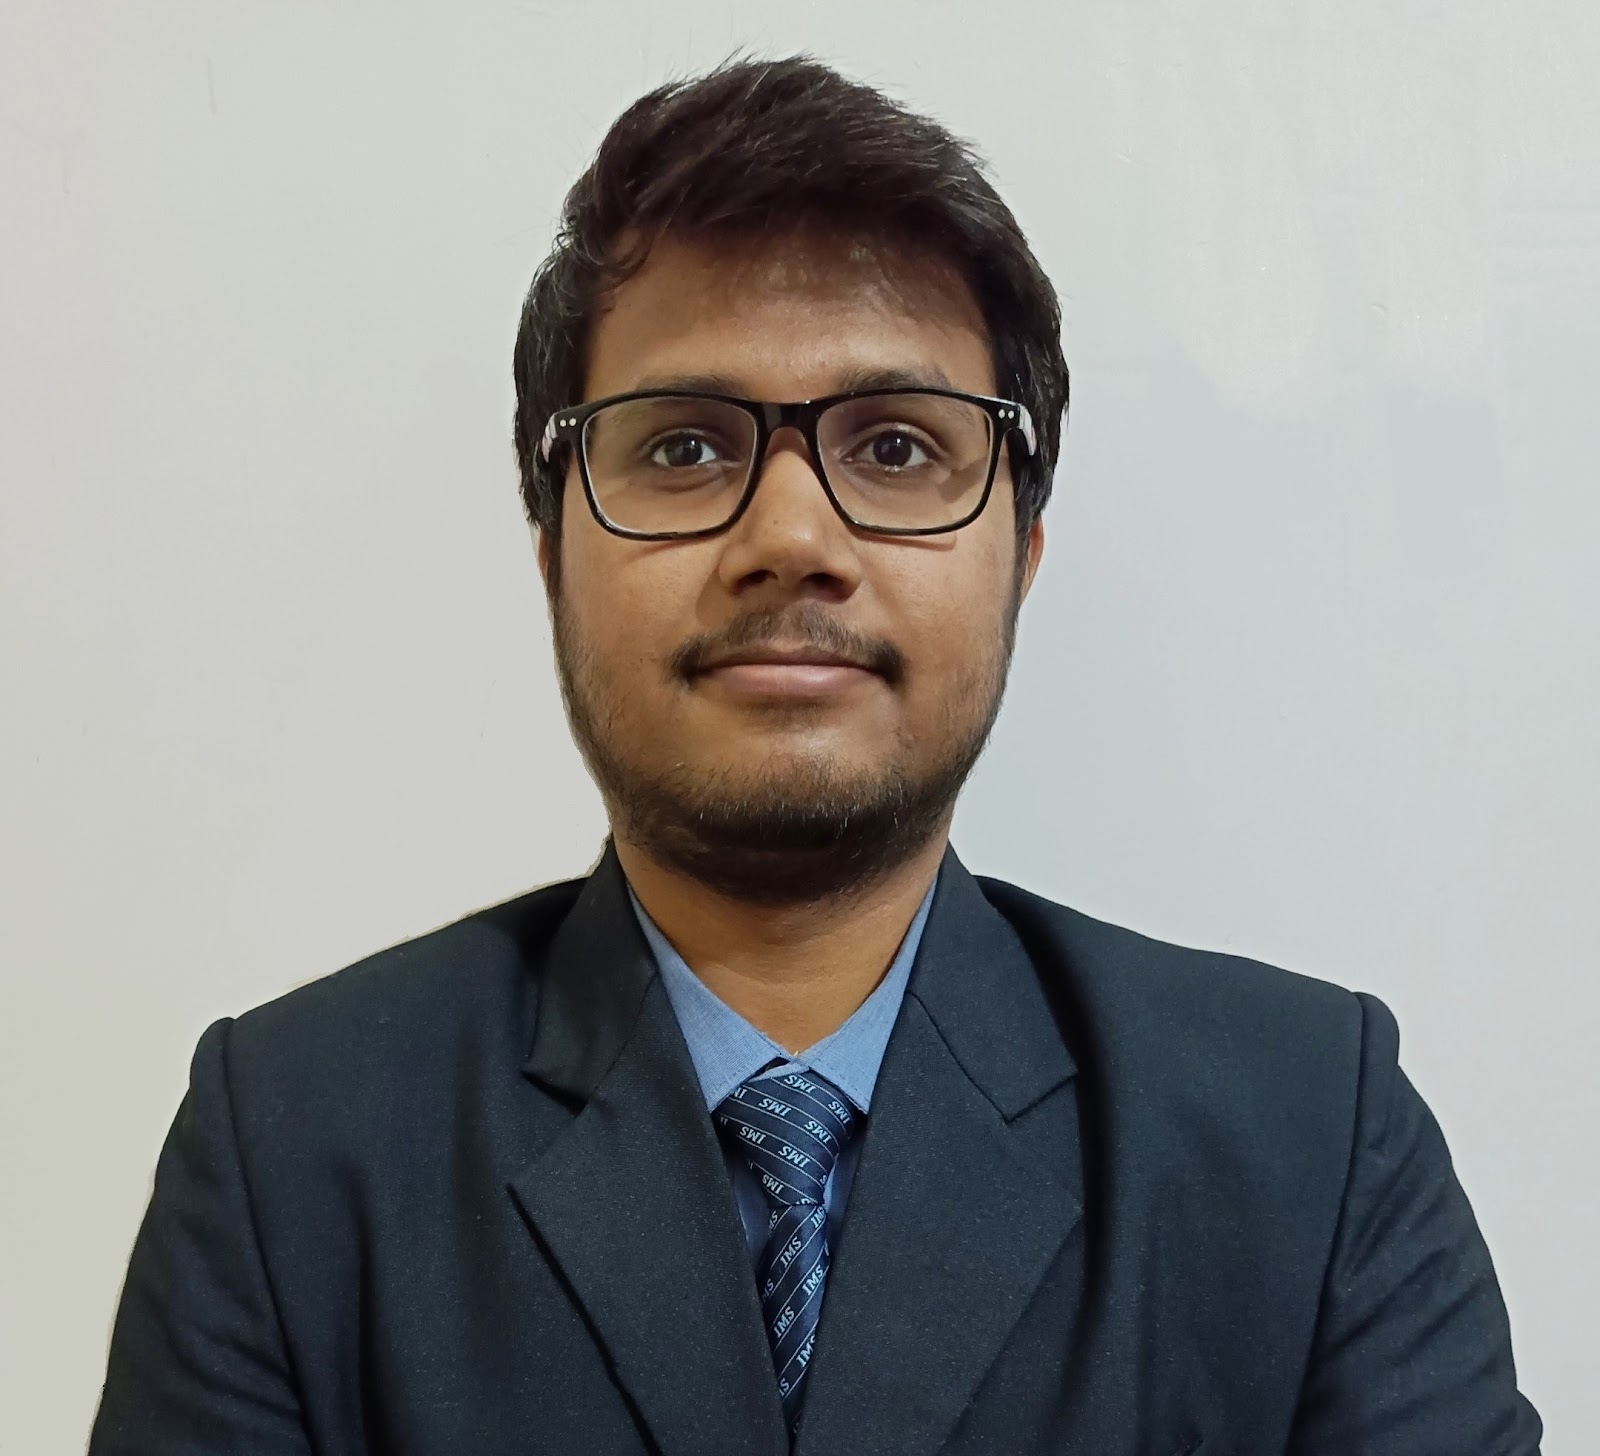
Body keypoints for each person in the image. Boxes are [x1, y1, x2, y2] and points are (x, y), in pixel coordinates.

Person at [89, 54, 1542, 1456]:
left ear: (1024, 552)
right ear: (550, 553)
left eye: (897, 448)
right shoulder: (294, 1155)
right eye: (684, 448)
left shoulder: (1310, 1142)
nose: (790, 537)